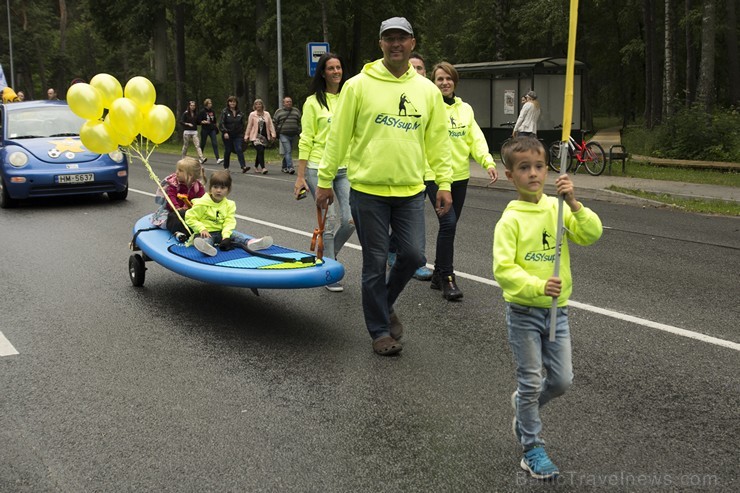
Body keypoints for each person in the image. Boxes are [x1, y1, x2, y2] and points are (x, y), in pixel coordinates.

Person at [315, 16, 453, 356]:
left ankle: (384, 302)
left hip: (410, 191)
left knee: (413, 255)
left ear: (412, 43)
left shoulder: (427, 91)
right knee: (375, 263)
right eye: (389, 38)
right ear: (380, 44)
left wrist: (444, 182)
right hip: (368, 191)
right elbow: (338, 137)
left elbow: (438, 141)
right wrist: (323, 181)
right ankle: (380, 331)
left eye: (402, 39)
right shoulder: (358, 85)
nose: (396, 44)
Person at [493, 137, 602, 480]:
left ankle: (524, 407)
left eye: (539, 166)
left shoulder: (557, 209)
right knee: (529, 381)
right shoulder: (509, 221)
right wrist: (538, 285)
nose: (534, 173)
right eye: (524, 168)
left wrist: (573, 203)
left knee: (561, 380)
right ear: (510, 175)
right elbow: (503, 269)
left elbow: (591, 235)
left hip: (558, 311)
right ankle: (532, 447)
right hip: (524, 312)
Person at [426, 61, 499, 301]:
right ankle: (448, 277)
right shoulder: (427, 107)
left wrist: (488, 162)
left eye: (448, 79)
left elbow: (475, 138)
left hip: (460, 177)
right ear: (433, 82)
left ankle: (437, 274)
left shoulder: (465, 109)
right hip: (435, 177)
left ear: (454, 82)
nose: (445, 83)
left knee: (449, 226)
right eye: (439, 79)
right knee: (448, 224)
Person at [293, 53, 355, 292]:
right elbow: (306, 138)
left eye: (339, 67)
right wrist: (300, 176)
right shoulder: (312, 102)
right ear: (323, 72)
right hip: (318, 167)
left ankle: (328, 254)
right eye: (331, 68)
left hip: (346, 168)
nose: (336, 71)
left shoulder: (349, 97)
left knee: (351, 220)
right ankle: (330, 270)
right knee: (327, 223)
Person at [386, 51, 434, 282]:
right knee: (401, 219)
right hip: (401, 170)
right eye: (412, 67)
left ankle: (414, 260)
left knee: (414, 220)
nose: (416, 71)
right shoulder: (398, 94)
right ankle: (395, 251)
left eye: (421, 68)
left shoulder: (431, 96)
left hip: (428, 171)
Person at [185, 170, 272, 256]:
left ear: (228, 190)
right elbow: (190, 217)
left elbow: (229, 221)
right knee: (205, 239)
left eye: (222, 188)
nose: (218, 190)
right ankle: (206, 247)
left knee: (237, 236)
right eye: (215, 187)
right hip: (206, 232)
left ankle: (252, 242)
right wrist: (201, 228)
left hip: (221, 232)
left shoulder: (229, 205)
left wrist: (226, 235)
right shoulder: (202, 203)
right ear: (210, 188)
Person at [151, 157, 206, 242]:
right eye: (177, 169)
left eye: (180, 170)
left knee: (197, 222)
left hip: (190, 212)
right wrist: (176, 207)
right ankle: (178, 233)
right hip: (173, 210)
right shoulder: (174, 183)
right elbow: (170, 197)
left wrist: (193, 207)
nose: (177, 172)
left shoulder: (198, 187)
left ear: (190, 175)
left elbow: (201, 200)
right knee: (169, 220)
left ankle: (198, 235)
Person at [218, 96, 249, 173]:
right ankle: (226, 167)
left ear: (236, 103)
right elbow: (221, 123)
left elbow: (243, 124)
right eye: (231, 102)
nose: (232, 103)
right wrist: (225, 132)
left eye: (234, 102)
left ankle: (243, 166)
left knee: (239, 148)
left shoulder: (240, 113)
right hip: (227, 134)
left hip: (237, 135)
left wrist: (243, 134)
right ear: (228, 103)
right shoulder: (225, 112)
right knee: (228, 150)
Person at [245, 98, 276, 175]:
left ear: (262, 105)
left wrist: (273, 134)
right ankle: (263, 168)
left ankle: (255, 166)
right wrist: (246, 135)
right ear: (254, 106)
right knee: (260, 150)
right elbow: (249, 126)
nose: (258, 105)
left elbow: (270, 125)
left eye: (259, 104)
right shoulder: (252, 114)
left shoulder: (267, 114)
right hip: (255, 136)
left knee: (260, 151)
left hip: (264, 136)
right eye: (256, 104)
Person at [273, 96, 302, 174]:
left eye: (290, 101)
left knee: (288, 151)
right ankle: (290, 167)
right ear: (283, 103)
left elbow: (300, 121)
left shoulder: (296, 111)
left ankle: (284, 166)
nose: (289, 103)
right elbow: (274, 122)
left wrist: (299, 130)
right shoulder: (279, 112)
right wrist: (274, 133)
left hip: (294, 134)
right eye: (287, 102)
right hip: (283, 134)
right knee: (288, 150)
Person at [180, 100, 207, 164]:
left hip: (194, 131)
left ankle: (201, 157)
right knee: (186, 145)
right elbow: (181, 121)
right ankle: (183, 157)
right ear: (189, 106)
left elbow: (197, 122)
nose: (193, 107)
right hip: (187, 131)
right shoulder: (186, 113)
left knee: (197, 145)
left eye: (194, 105)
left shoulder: (196, 114)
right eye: (191, 105)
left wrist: (202, 122)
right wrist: (187, 124)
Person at [198, 98, 221, 164]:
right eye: (209, 103)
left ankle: (217, 158)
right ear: (206, 104)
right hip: (205, 129)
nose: (210, 104)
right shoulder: (202, 111)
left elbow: (214, 120)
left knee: (214, 143)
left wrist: (216, 127)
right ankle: (201, 157)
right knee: (203, 143)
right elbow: (199, 120)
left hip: (212, 129)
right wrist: (203, 122)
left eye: (211, 103)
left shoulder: (212, 111)